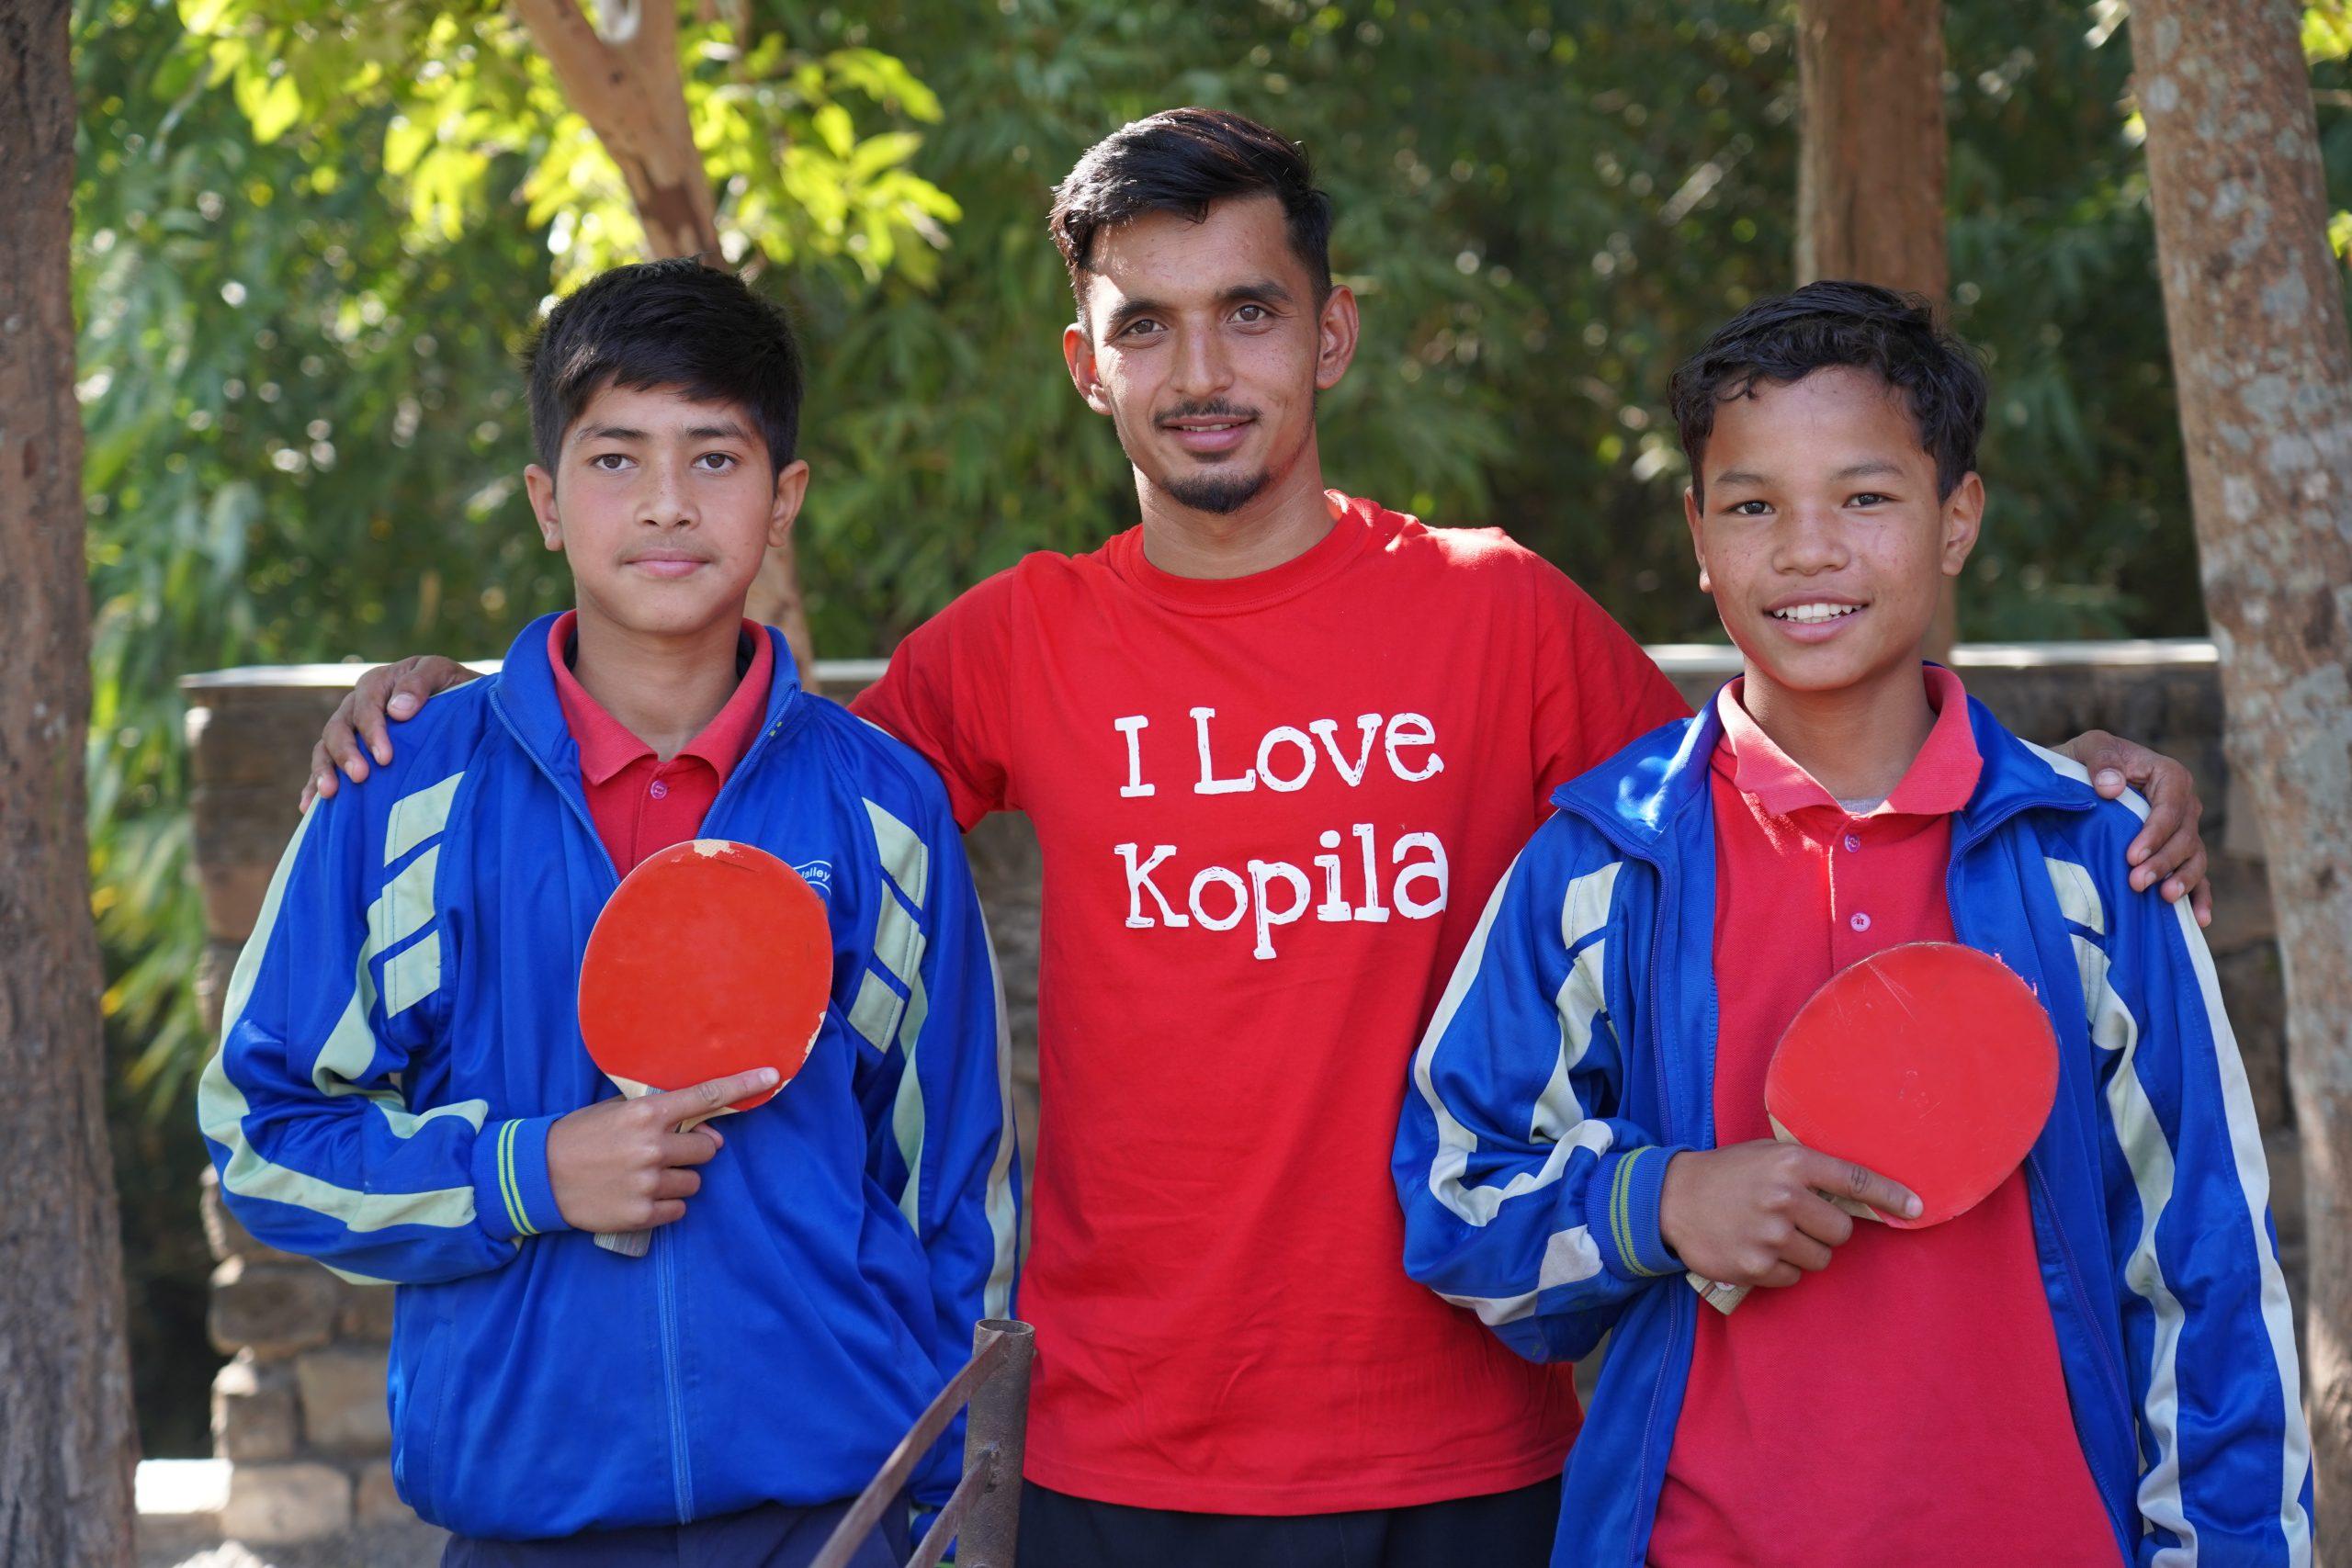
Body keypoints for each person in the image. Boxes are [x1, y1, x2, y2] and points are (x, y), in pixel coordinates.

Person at [300, 115, 2215, 1568]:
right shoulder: (1013, 637)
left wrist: (2074, 772)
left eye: (1247, 310)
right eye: (1146, 323)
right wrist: (447, 703)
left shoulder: (1497, 613)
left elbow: (1794, 777)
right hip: (1121, 1452)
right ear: (1088, 361)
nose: (1200, 365)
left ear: (1330, 332)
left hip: (1476, 1441)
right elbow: (732, 795)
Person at [1396, 280, 2311, 1568]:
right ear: (1698, 536)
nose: (1808, 549)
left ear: (1957, 519)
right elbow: (1451, 1202)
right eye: (1754, 504)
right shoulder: (1607, 864)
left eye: (1866, 498)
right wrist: (1657, 1204)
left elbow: (2204, 1278)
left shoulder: (2094, 869)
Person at [199, 257, 1019, 1565]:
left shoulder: (881, 811)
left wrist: (943, 1521)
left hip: (836, 1524)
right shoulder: (406, 795)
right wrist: (527, 1174)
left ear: (784, 496)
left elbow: (954, 1198)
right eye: (615, 460)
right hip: (527, 1523)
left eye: (715, 458)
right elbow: (266, 1137)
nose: (666, 506)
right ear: (545, 499)